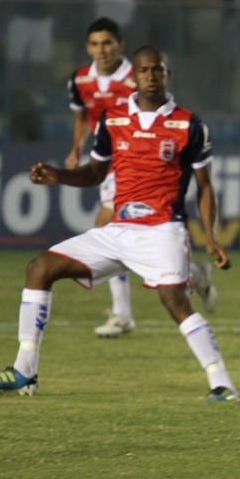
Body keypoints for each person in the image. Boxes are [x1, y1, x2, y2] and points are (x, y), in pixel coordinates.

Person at [0, 46, 240, 402]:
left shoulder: (189, 125)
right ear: (134, 77)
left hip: (163, 229)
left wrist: (211, 237)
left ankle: (222, 384)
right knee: (39, 268)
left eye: (157, 70)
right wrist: (59, 176)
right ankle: (25, 370)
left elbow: (205, 187)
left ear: (167, 74)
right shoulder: (113, 120)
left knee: (174, 300)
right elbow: (95, 173)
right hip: (118, 230)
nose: (150, 77)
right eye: (144, 71)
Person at [66, 18, 217, 337]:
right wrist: (75, 149)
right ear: (87, 47)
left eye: (107, 43)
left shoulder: (136, 76)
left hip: (135, 161)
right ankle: (193, 273)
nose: (101, 50)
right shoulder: (79, 79)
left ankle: (122, 314)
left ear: (120, 46)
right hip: (105, 157)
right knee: (122, 235)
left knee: (108, 226)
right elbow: (82, 117)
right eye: (94, 44)